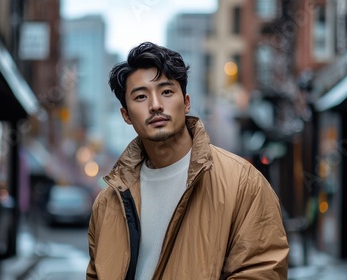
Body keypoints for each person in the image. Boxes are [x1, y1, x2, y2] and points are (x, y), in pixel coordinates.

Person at [86, 42, 289, 279]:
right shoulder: (108, 203)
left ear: (186, 102)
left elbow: (262, 270)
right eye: (141, 96)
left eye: (167, 92)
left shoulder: (243, 183)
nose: (155, 105)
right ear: (126, 115)